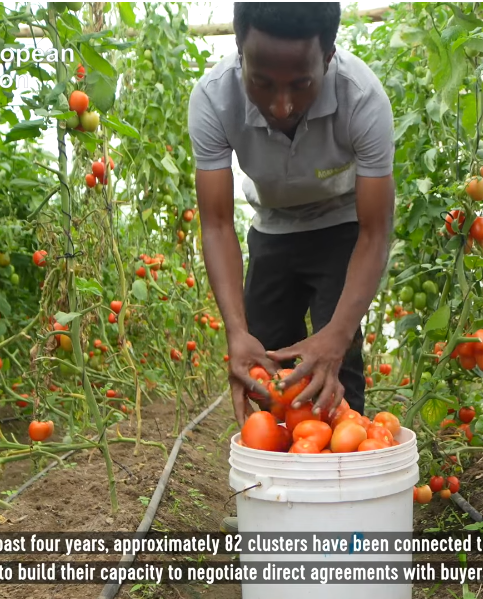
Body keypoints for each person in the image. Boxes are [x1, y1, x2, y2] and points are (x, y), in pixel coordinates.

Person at [188, 4, 395, 442]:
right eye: (261, 83)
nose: (281, 106)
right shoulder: (212, 98)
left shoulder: (362, 98)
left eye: (302, 85)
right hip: (272, 227)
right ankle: (277, 488)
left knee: (335, 373)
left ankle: (341, 482)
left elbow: (376, 231)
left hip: (342, 226)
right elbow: (218, 223)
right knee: (264, 371)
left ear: (328, 58)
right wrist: (236, 332)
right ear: (239, 51)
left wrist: (337, 336)